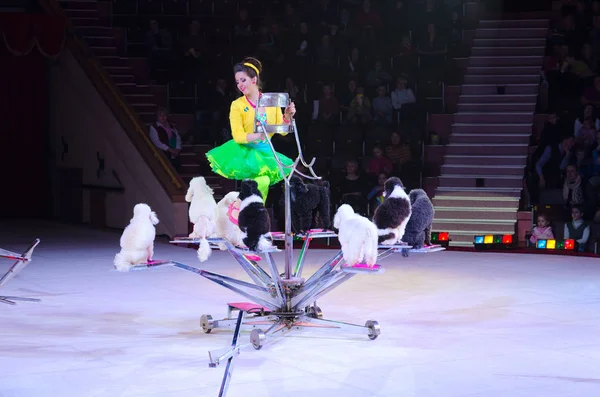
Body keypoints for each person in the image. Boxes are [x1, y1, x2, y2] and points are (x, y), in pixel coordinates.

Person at [206, 57, 296, 202]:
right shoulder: (237, 105)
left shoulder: (271, 101)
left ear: (254, 80)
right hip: (246, 152)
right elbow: (238, 136)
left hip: (266, 153)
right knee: (259, 183)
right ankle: (248, 212)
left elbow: (283, 130)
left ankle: (248, 212)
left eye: (243, 80)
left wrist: (287, 116)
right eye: (237, 82)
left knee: (262, 183)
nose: (240, 85)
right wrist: (259, 136)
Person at [149, 107, 182, 171]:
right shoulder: (154, 127)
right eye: (160, 115)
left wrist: (177, 148)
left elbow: (177, 137)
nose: (163, 117)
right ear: (157, 117)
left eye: (164, 115)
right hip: (162, 154)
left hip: (174, 153)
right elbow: (156, 142)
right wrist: (169, 149)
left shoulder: (171, 126)